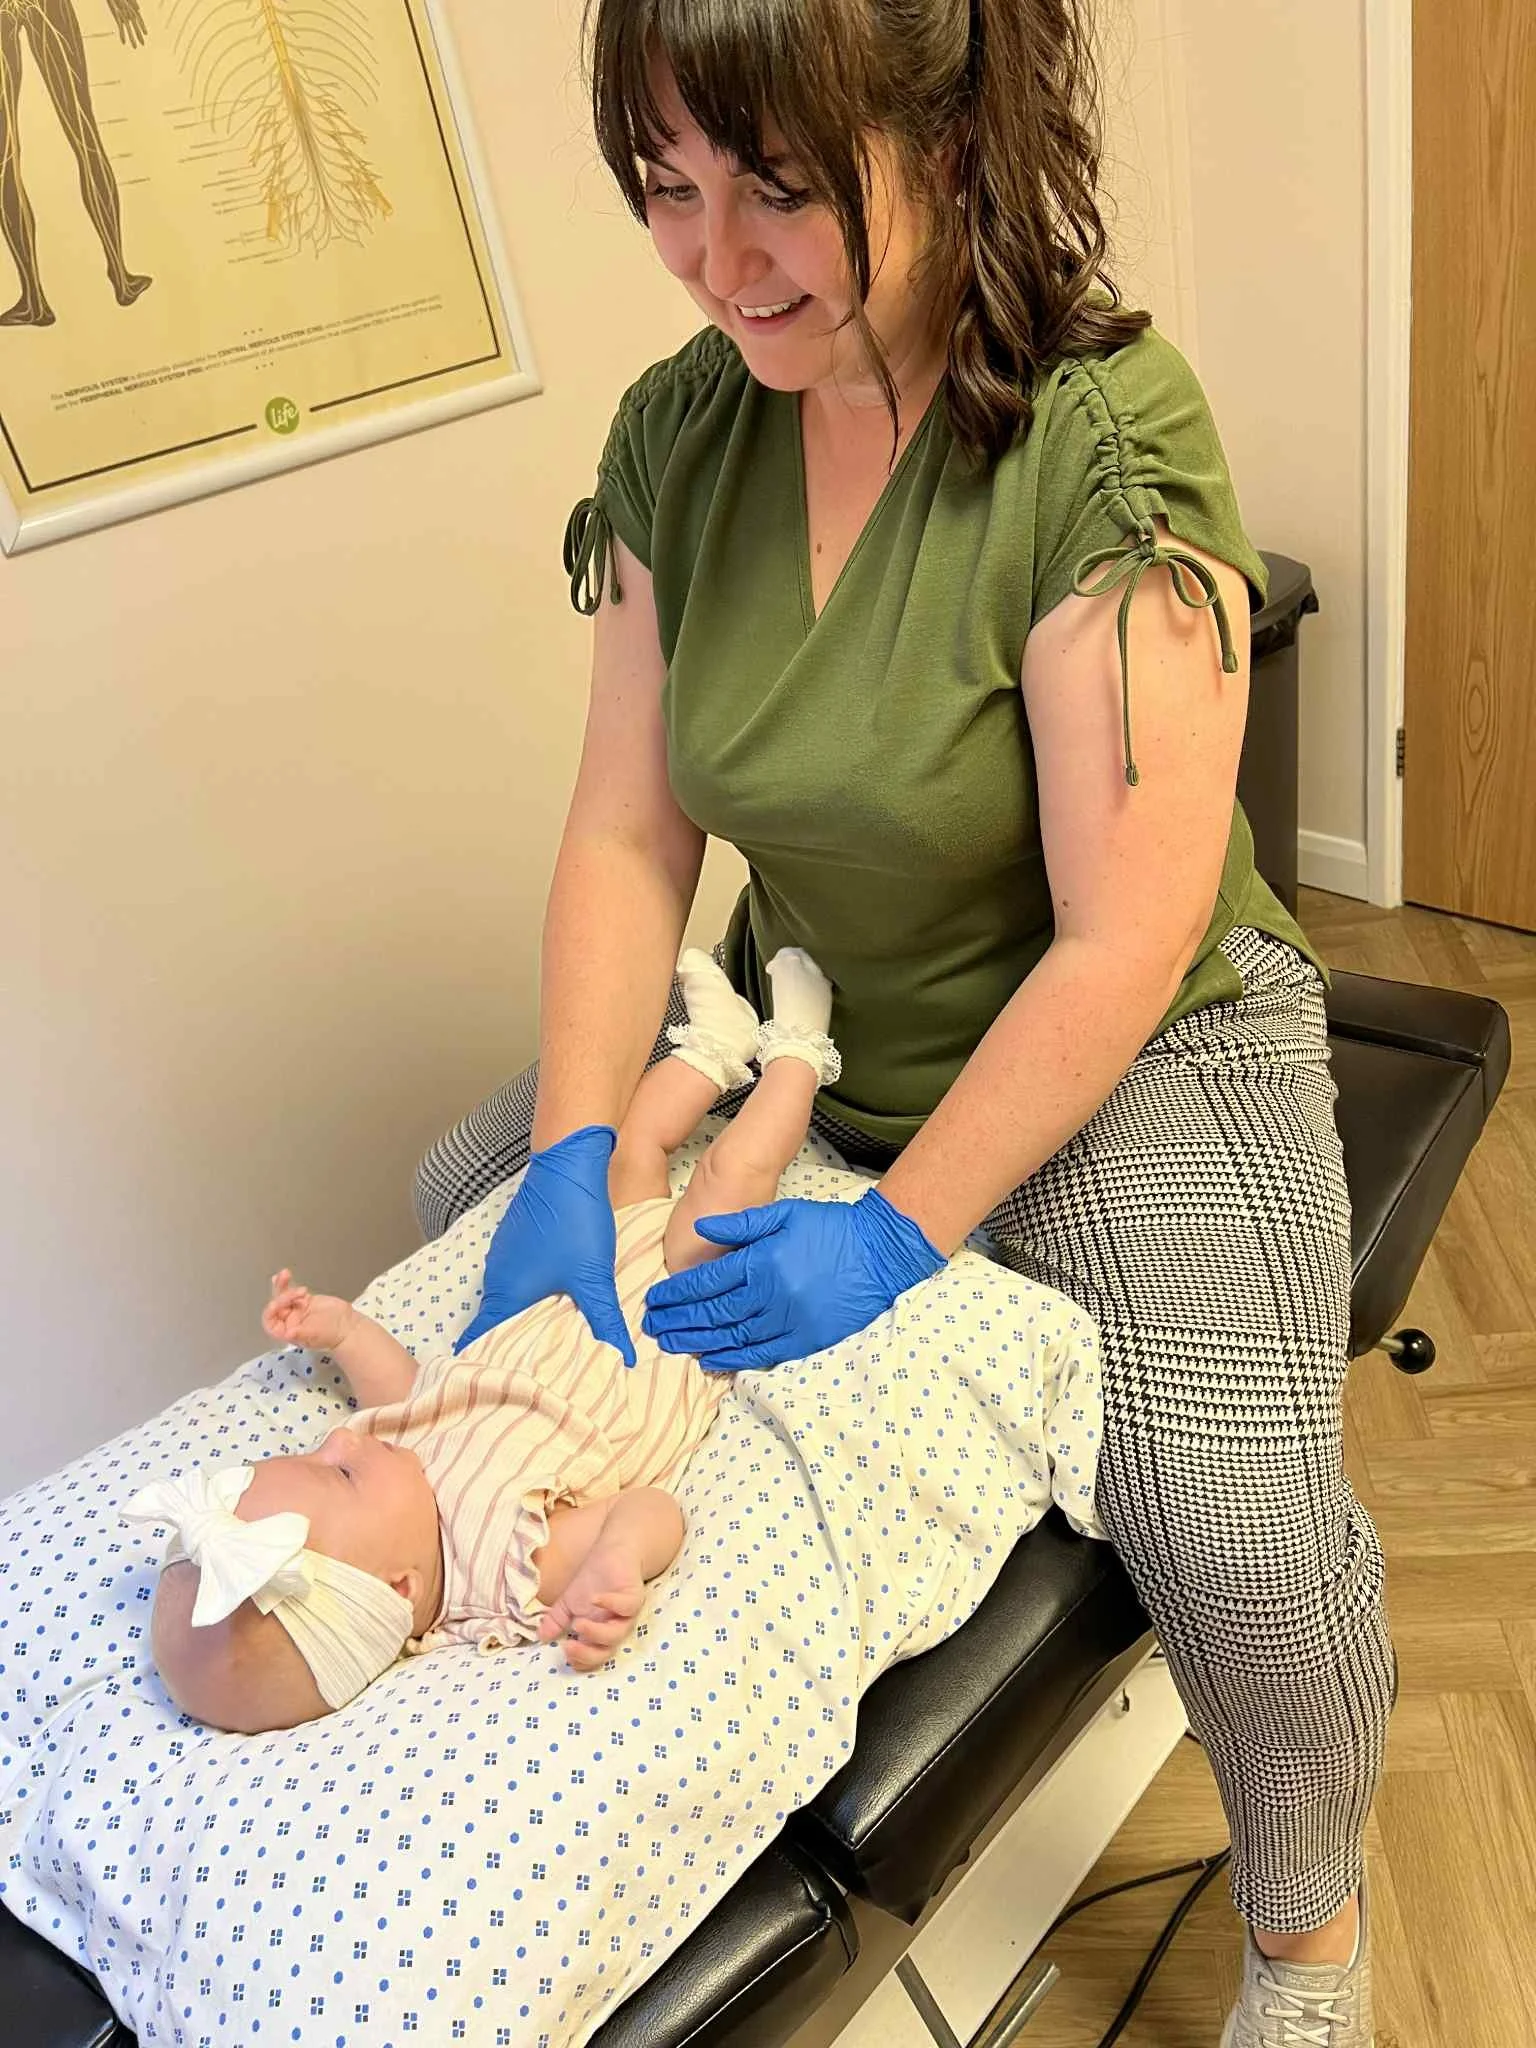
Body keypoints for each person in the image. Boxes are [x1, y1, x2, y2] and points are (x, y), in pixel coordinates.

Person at [413, 4, 1393, 2043]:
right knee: (464, 1182)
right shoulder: (683, 441)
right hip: (816, 1021)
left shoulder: (1094, 444)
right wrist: (582, 1150)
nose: (715, 257)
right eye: (668, 190)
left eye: (775, 185)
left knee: (1231, 1519)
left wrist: (897, 1233)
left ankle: (1312, 1925)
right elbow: (622, 831)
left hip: (1142, 1049)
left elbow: (1121, 938)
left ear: (946, 142)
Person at [127, 948, 872, 1735]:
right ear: (403, 1586)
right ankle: (797, 1052)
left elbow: (402, 1390)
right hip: (671, 1317)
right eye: (337, 1475)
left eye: (316, 1455)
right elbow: (652, 1511)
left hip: (575, 1292)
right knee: (729, 1178)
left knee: (627, 1154)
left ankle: (714, 1047)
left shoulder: (392, 1464)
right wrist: (617, 1564)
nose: (338, 1441)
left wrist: (341, 1329)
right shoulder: (504, 1565)